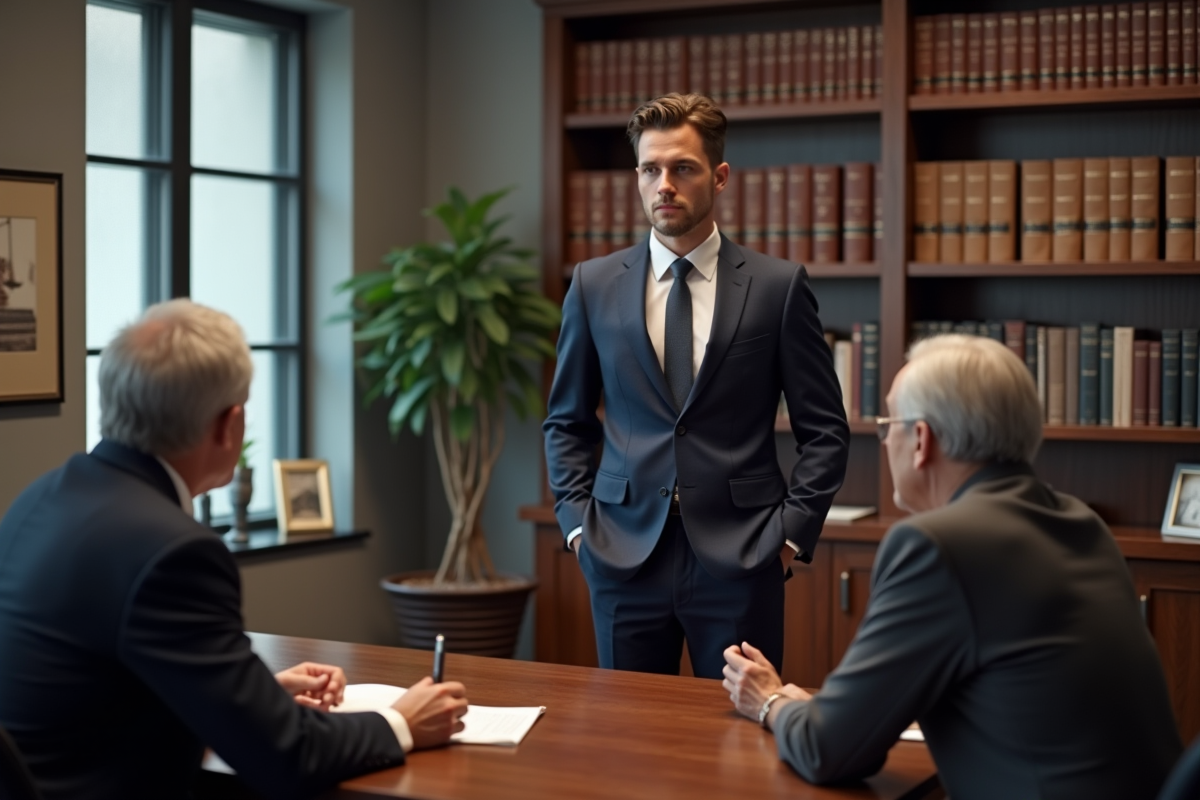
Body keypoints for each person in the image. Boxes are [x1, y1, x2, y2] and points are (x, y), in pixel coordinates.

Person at [0, 300, 469, 800]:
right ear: (230, 424)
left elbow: (96, 685)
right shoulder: (172, 551)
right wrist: (401, 722)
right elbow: (288, 757)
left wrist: (249, 696)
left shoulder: (41, 499)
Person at [722, 334, 1183, 800]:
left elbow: (830, 751)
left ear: (921, 439)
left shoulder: (937, 546)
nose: (885, 442)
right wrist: (826, 712)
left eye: (888, 425)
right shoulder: (1082, 522)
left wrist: (771, 701)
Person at [543, 93, 849, 679]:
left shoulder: (777, 288)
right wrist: (579, 528)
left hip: (743, 557)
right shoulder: (593, 285)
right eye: (650, 169)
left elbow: (826, 431)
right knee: (630, 742)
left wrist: (787, 540)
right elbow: (567, 420)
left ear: (720, 176)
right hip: (622, 554)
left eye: (682, 168)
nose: (664, 185)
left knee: (739, 748)